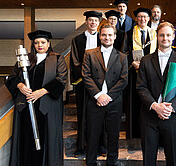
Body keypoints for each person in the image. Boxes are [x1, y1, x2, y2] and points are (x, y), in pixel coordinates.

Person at [5, 30, 67, 166]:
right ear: (33, 44)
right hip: (26, 107)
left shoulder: (57, 58)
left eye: (43, 42)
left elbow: (61, 80)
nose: (40, 45)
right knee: (27, 141)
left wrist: (41, 92)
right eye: (37, 42)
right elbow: (11, 78)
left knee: (46, 140)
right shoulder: (25, 59)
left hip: (47, 107)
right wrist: (20, 85)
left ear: (49, 43)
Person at [136, 22, 176, 166]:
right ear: (156, 36)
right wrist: (155, 106)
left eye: (168, 35)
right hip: (149, 115)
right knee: (148, 157)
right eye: (161, 35)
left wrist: (169, 108)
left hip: (172, 115)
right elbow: (141, 87)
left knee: (172, 157)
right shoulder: (145, 60)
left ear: (173, 36)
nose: (165, 38)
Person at [82, 23, 128, 166]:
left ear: (114, 37)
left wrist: (107, 96)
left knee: (113, 135)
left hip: (114, 101)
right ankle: (90, 163)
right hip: (94, 100)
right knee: (92, 134)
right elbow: (86, 76)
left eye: (110, 35)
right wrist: (98, 95)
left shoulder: (122, 56)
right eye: (104, 35)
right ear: (100, 36)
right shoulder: (89, 53)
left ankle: (112, 162)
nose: (107, 37)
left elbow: (124, 79)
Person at [70, 10, 105, 157]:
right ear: (86, 22)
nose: (93, 23)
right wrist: (85, 75)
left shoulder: (103, 38)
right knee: (82, 115)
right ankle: (81, 146)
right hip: (82, 83)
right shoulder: (77, 39)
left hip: (99, 84)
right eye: (90, 20)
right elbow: (75, 60)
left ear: (98, 23)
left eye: (95, 21)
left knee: (100, 115)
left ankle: (101, 146)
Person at [122, 7, 157, 138]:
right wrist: (131, 61)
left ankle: (149, 131)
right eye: (140, 17)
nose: (142, 19)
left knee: (149, 100)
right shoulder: (129, 34)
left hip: (151, 73)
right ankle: (134, 132)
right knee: (135, 102)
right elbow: (123, 52)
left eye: (145, 17)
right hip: (134, 73)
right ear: (136, 19)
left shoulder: (155, 34)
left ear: (149, 19)